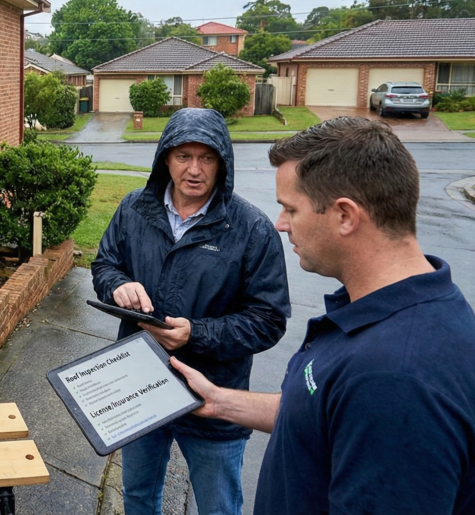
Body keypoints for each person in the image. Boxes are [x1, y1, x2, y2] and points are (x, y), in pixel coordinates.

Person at [171, 116, 475, 515]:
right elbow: (324, 412)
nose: (280, 225)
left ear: (345, 216)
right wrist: (221, 401)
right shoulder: (386, 310)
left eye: (290, 209)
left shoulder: (393, 379)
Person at [92, 107, 290, 515]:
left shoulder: (251, 229)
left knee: (218, 507)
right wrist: (117, 285)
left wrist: (195, 334)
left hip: (213, 396)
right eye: (184, 156)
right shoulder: (134, 208)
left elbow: (268, 320)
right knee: (138, 495)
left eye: (207, 157)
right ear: (166, 157)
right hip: (141, 382)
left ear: (223, 162)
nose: (194, 169)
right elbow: (104, 264)